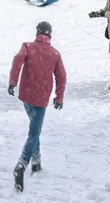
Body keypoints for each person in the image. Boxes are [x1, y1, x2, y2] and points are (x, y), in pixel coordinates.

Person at [8, 21, 66, 193]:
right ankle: (22, 164)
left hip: (26, 97)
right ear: (50, 35)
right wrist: (59, 98)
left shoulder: (28, 46)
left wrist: (13, 82)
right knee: (34, 132)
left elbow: (17, 59)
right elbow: (62, 78)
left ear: (37, 33)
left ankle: (37, 163)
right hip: (41, 100)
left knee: (35, 130)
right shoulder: (55, 54)